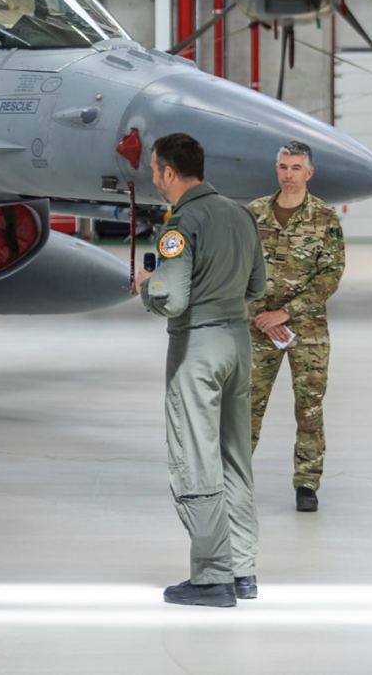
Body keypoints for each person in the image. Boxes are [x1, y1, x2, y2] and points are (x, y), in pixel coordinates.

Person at [135, 132, 267, 608]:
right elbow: (257, 286)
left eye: (155, 170)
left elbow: (173, 298)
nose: (154, 178)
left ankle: (212, 575)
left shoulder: (181, 224)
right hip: (238, 343)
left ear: (169, 172)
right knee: (235, 456)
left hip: (198, 347)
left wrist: (147, 286)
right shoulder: (241, 214)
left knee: (195, 455)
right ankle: (242, 569)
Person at [247, 140, 346, 513]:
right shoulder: (253, 213)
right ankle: (233, 478)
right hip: (258, 326)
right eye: (283, 167)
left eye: (296, 168)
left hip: (307, 329)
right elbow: (237, 267)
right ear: (276, 169)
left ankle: (307, 483)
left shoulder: (324, 218)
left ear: (309, 173)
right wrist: (260, 313)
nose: (289, 175)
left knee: (309, 407)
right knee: (246, 405)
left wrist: (285, 313)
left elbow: (331, 274)